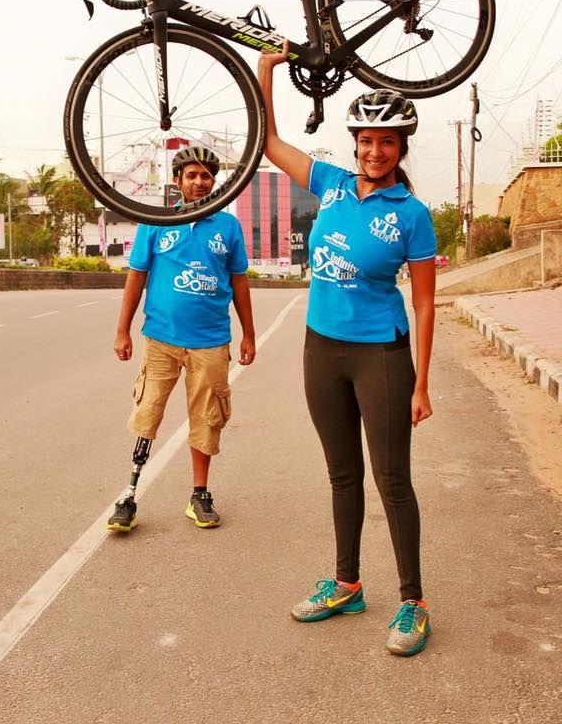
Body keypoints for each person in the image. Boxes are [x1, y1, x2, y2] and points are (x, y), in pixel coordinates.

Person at [258, 42, 437, 657]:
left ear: (401, 149)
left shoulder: (412, 214)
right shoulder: (331, 183)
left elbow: (425, 303)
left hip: (381, 357)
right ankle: (347, 584)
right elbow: (270, 143)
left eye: (386, 141)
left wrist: (420, 382)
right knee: (342, 475)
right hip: (321, 350)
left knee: (392, 479)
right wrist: (264, 71)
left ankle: (413, 601)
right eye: (365, 138)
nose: (373, 149)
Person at [107, 146, 255, 533]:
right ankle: (129, 494)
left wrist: (249, 334)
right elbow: (136, 276)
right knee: (148, 410)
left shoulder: (228, 227)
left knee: (207, 418)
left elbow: (239, 281)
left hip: (210, 341)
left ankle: (200, 495)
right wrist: (123, 329)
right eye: (191, 175)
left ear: (214, 181)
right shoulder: (154, 222)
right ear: (178, 181)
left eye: (206, 175)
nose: (199, 181)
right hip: (160, 337)